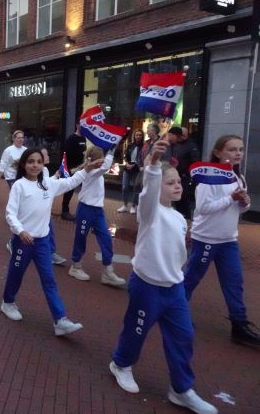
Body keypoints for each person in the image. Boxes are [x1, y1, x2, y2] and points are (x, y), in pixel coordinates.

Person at [109, 137, 218, 414]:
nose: (177, 186)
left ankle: (181, 390)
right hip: (147, 287)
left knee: (184, 336)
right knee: (136, 330)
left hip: (174, 289)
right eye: (170, 183)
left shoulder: (179, 218)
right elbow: (148, 193)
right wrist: (155, 163)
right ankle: (121, 364)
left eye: (178, 181)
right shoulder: (150, 212)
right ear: (157, 185)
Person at [0, 148, 103, 336]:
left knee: (49, 280)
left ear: (43, 164)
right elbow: (10, 213)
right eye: (31, 162)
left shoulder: (48, 184)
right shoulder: (19, 186)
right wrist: (21, 231)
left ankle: (60, 320)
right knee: (16, 275)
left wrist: (87, 169)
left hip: (42, 242)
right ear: (24, 164)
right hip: (23, 242)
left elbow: (71, 182)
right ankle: (7, 303)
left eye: (39, 162)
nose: (35, 165)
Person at [183, 135, 260, 348]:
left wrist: (244, 202)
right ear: (218, 153)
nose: (238, 153)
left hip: (228, 239)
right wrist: (231, 198)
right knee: (191, 278)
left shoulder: (238, 177)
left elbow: (240, 209)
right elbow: (203, 208)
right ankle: (177, 312)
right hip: (206, 239)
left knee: (234, 282)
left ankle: (239, 324)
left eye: (240, 149)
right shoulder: (209, 178)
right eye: (232, 149)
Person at [68, 146, 125, 286]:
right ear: (95, 159)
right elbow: (105, 167)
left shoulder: (96, 171)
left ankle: (108, 272)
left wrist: (110, 150)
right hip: (85, 210)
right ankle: (75, 266)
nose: (103, 160)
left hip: (98, 211)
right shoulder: (90, 172)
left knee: (106, 238)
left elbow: (104, 167)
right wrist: (112, 149)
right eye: (101, 158)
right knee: (81, 238)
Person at [40, 147, 67, 265]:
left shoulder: (45, 169)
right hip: (39, 207)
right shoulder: (37, 171)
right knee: (47, 229)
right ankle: (50, 253)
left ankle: (50, 252)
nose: (48, 157)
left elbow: (47, 183)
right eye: (46, 155)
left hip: (44, 207)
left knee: (47, 229)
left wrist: (55, 176)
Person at [170, 126, 199, 220]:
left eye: (182, 135)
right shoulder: (174, 145)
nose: (180, 137)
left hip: (184, 177)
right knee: (175, 199)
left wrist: (187, 173)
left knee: (184, 200)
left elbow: (195, 162)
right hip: (174, 175)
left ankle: (187, 219)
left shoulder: (191, 146)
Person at [61, 125, 87, 221]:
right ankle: (65, 211)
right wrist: (68, 169)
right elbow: (67, 153)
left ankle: (82, 211)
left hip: (81, 168)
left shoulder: (83, 138)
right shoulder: (71, 138)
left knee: (84, 188)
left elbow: (84, 151)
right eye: (82, 125)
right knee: (69, 190)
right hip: (71, 168)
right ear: (77, 125)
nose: (83, 127)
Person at [117, 129, 144, 215]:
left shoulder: (144, 147)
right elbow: (125, 156)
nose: (138, 136)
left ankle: (133, 206)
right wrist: (127, 163)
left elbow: (142, 159)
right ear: (134, 136)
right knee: (125, 187)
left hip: (137, 169)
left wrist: (134, 165)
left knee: (136, 188)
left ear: (142, 136)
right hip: (127, 168)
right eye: (137, 135)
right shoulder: (130, 145)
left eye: (140, 135)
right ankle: (125, 205)